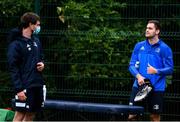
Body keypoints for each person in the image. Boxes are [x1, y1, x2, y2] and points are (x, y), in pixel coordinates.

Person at [128, 20, 174, 121]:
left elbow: (170, 69)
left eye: (150, 28)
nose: (147, 30)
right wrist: (138, 76)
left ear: (157, 31)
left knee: (154, 117)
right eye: (146, 28)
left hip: (156, 88)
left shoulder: (164, 48)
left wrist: (156, 71)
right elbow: (131, 65)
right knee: (132, 116)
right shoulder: (139, 46)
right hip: (139, 86)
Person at [7, 12, 45, 121]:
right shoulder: (16, 44)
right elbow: (13, 67)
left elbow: (41, 57)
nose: (39, 27)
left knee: (31, 114)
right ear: (30, 24)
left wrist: (42, 64)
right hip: (24, 86)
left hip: (37, 84)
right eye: (37, 25)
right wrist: (19, 89)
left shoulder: (36, 41)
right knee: (20, 114)